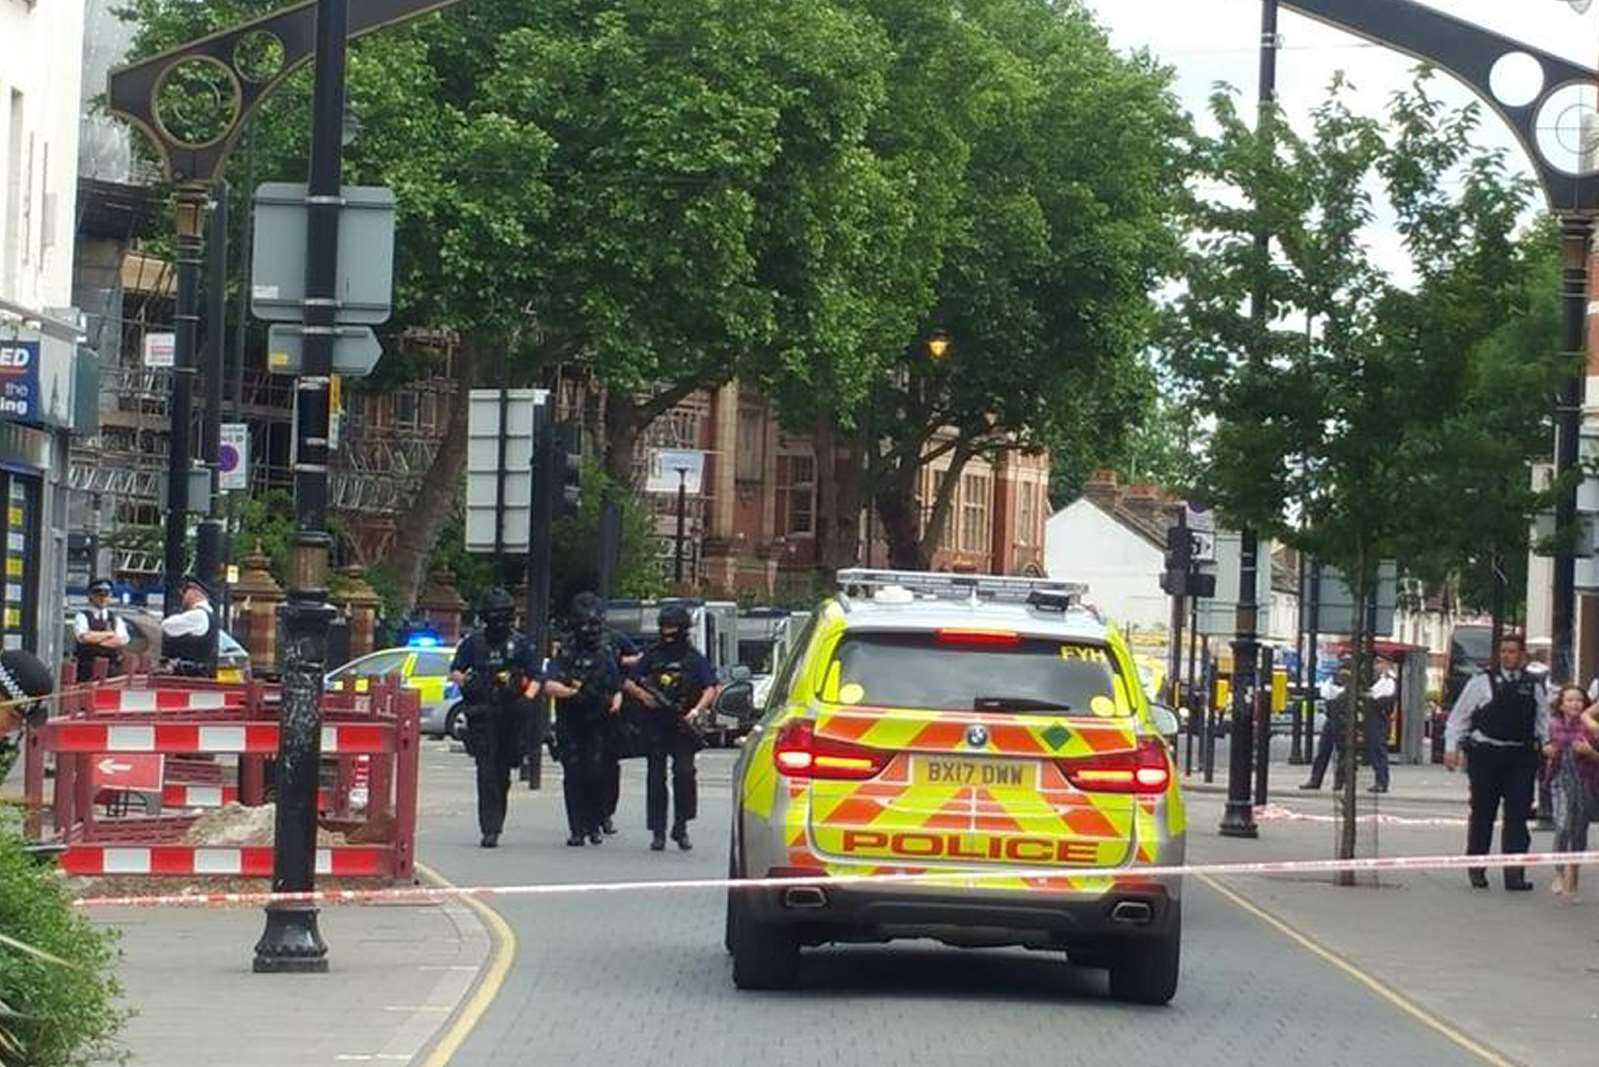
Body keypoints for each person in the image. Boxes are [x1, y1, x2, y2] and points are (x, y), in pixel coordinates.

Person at [1443, 633, 1550, 891]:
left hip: (1520, 756)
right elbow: (1459, 717)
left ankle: (1514, 873)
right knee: (1483, 813)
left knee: (1517, 815)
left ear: (1522, 655)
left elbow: (1542, 720)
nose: (1507, 656)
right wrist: (1451, 748)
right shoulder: (1482, 682)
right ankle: (1477, 868)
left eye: (1512, 651)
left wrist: (1548, 746)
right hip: (1487, 755)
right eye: (1503, 651)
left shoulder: (1533, 684)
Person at [449, 588, 539, 848]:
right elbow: (455, 670)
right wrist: (467, 680)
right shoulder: (473, 643)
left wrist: (527, 698)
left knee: (503, 772)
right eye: (493, 616)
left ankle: (497, 816)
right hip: (482, 714)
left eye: (503, 616)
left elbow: (536, 676)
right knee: (486, 771)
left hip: (511, 713)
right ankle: (490, 828)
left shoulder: (521, 644)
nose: (498, 622)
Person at [626, 604, 718, 851]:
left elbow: (711, 687)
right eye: (664, 626)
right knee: (656, 777)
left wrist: (696, 710)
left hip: (683, 724)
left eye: (672, 627)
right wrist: (645, 698)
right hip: (656, 723)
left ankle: (681, 826)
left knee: (685, 774)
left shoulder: (693, 658)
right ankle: (657, 831)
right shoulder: (653, 655)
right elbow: (629, 681)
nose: (667, 632)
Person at [545, 595, 624, 846]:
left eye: (594, 625)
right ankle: (577, 829)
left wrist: (614, 702)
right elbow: (550, 683)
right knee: (573, 774)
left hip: (598, 723)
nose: (589, 630)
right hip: (571, 721)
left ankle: (595, 823)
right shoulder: (566, 653)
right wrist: (572, 693)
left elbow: (617, 687)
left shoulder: (605, 654)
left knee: (596, 774)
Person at [1544, 685, 1599, 901]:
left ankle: (1573, 877)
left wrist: (1590, 752)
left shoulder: (1591, 728)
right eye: (1570, 700)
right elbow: (1545, 747)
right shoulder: (1553, 725)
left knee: (1579, 831)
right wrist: (1547, 750)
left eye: (1579, 700)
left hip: (1586, 782)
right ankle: (1558, 872)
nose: (1575, 704)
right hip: (1560, 782)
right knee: (1563, 825)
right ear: (1561, 704)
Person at [1300, 659, 1352, 791]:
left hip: (1343, 720)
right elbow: (1327, 694)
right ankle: (1316, 780)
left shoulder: (1350, 684)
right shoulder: (1334, 681)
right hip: (1332, 719)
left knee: (1342, 753)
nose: (1342, 673)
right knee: (1324, 751)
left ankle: (1338, 782)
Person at [72, 578, 131, 684]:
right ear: (91, 596)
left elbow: (121, 640)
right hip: (87, 672)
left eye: (106, 594)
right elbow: (84, 637)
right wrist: (110, 634)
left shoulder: (115, 618)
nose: (103, 598)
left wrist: (95, 639)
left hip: (111, 672)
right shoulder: (82, 616)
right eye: (99, 594)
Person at [161, 575, 218, 676]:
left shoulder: (198, 615)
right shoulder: (207, 614)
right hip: (195, 674)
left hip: (187, 675)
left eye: (185, 592)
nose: (183, 597)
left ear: (195, 593)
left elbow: (167, 626)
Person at [1362, 654, 1396, 794]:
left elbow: (1381, 697)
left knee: (1379, 751)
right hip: (1374, 718)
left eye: (1380, 662)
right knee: (1374, 751)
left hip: (1379, 719)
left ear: (1387, 664)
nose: (1377, 666)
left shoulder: (1389, 680)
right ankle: (1379, 780)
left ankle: (1382, 782)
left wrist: (1369, 698)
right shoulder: (1382, 679)